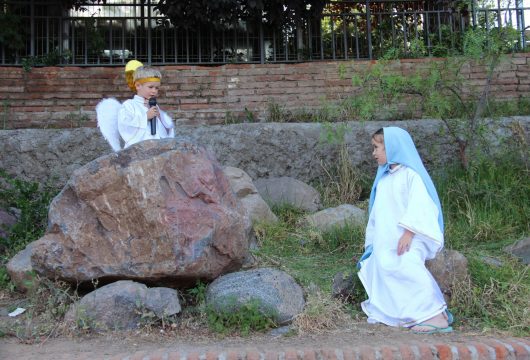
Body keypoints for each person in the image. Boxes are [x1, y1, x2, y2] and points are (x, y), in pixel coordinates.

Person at [357, 127, 453, 334]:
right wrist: (375, 241)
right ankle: (405, 313)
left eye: (376, 148)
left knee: (407, 264)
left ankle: (436, 314)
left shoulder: (411, 175)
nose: (373, 153)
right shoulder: (384, 178)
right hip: (388, 239)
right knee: (382, 264)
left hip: (411, 236)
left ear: (392, 147)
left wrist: (408, 233)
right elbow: (379, 213)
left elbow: (421, 205)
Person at [118, 61, 175, 148]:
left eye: (157, 88)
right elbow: (125, 126)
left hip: (156, 146)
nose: (154, 91)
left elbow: (168, 129)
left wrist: (160, 116)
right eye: (150, 87)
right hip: (137, 150)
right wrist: (146, 117)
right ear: (138, 86)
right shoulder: (129, 105)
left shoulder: (154, 105)